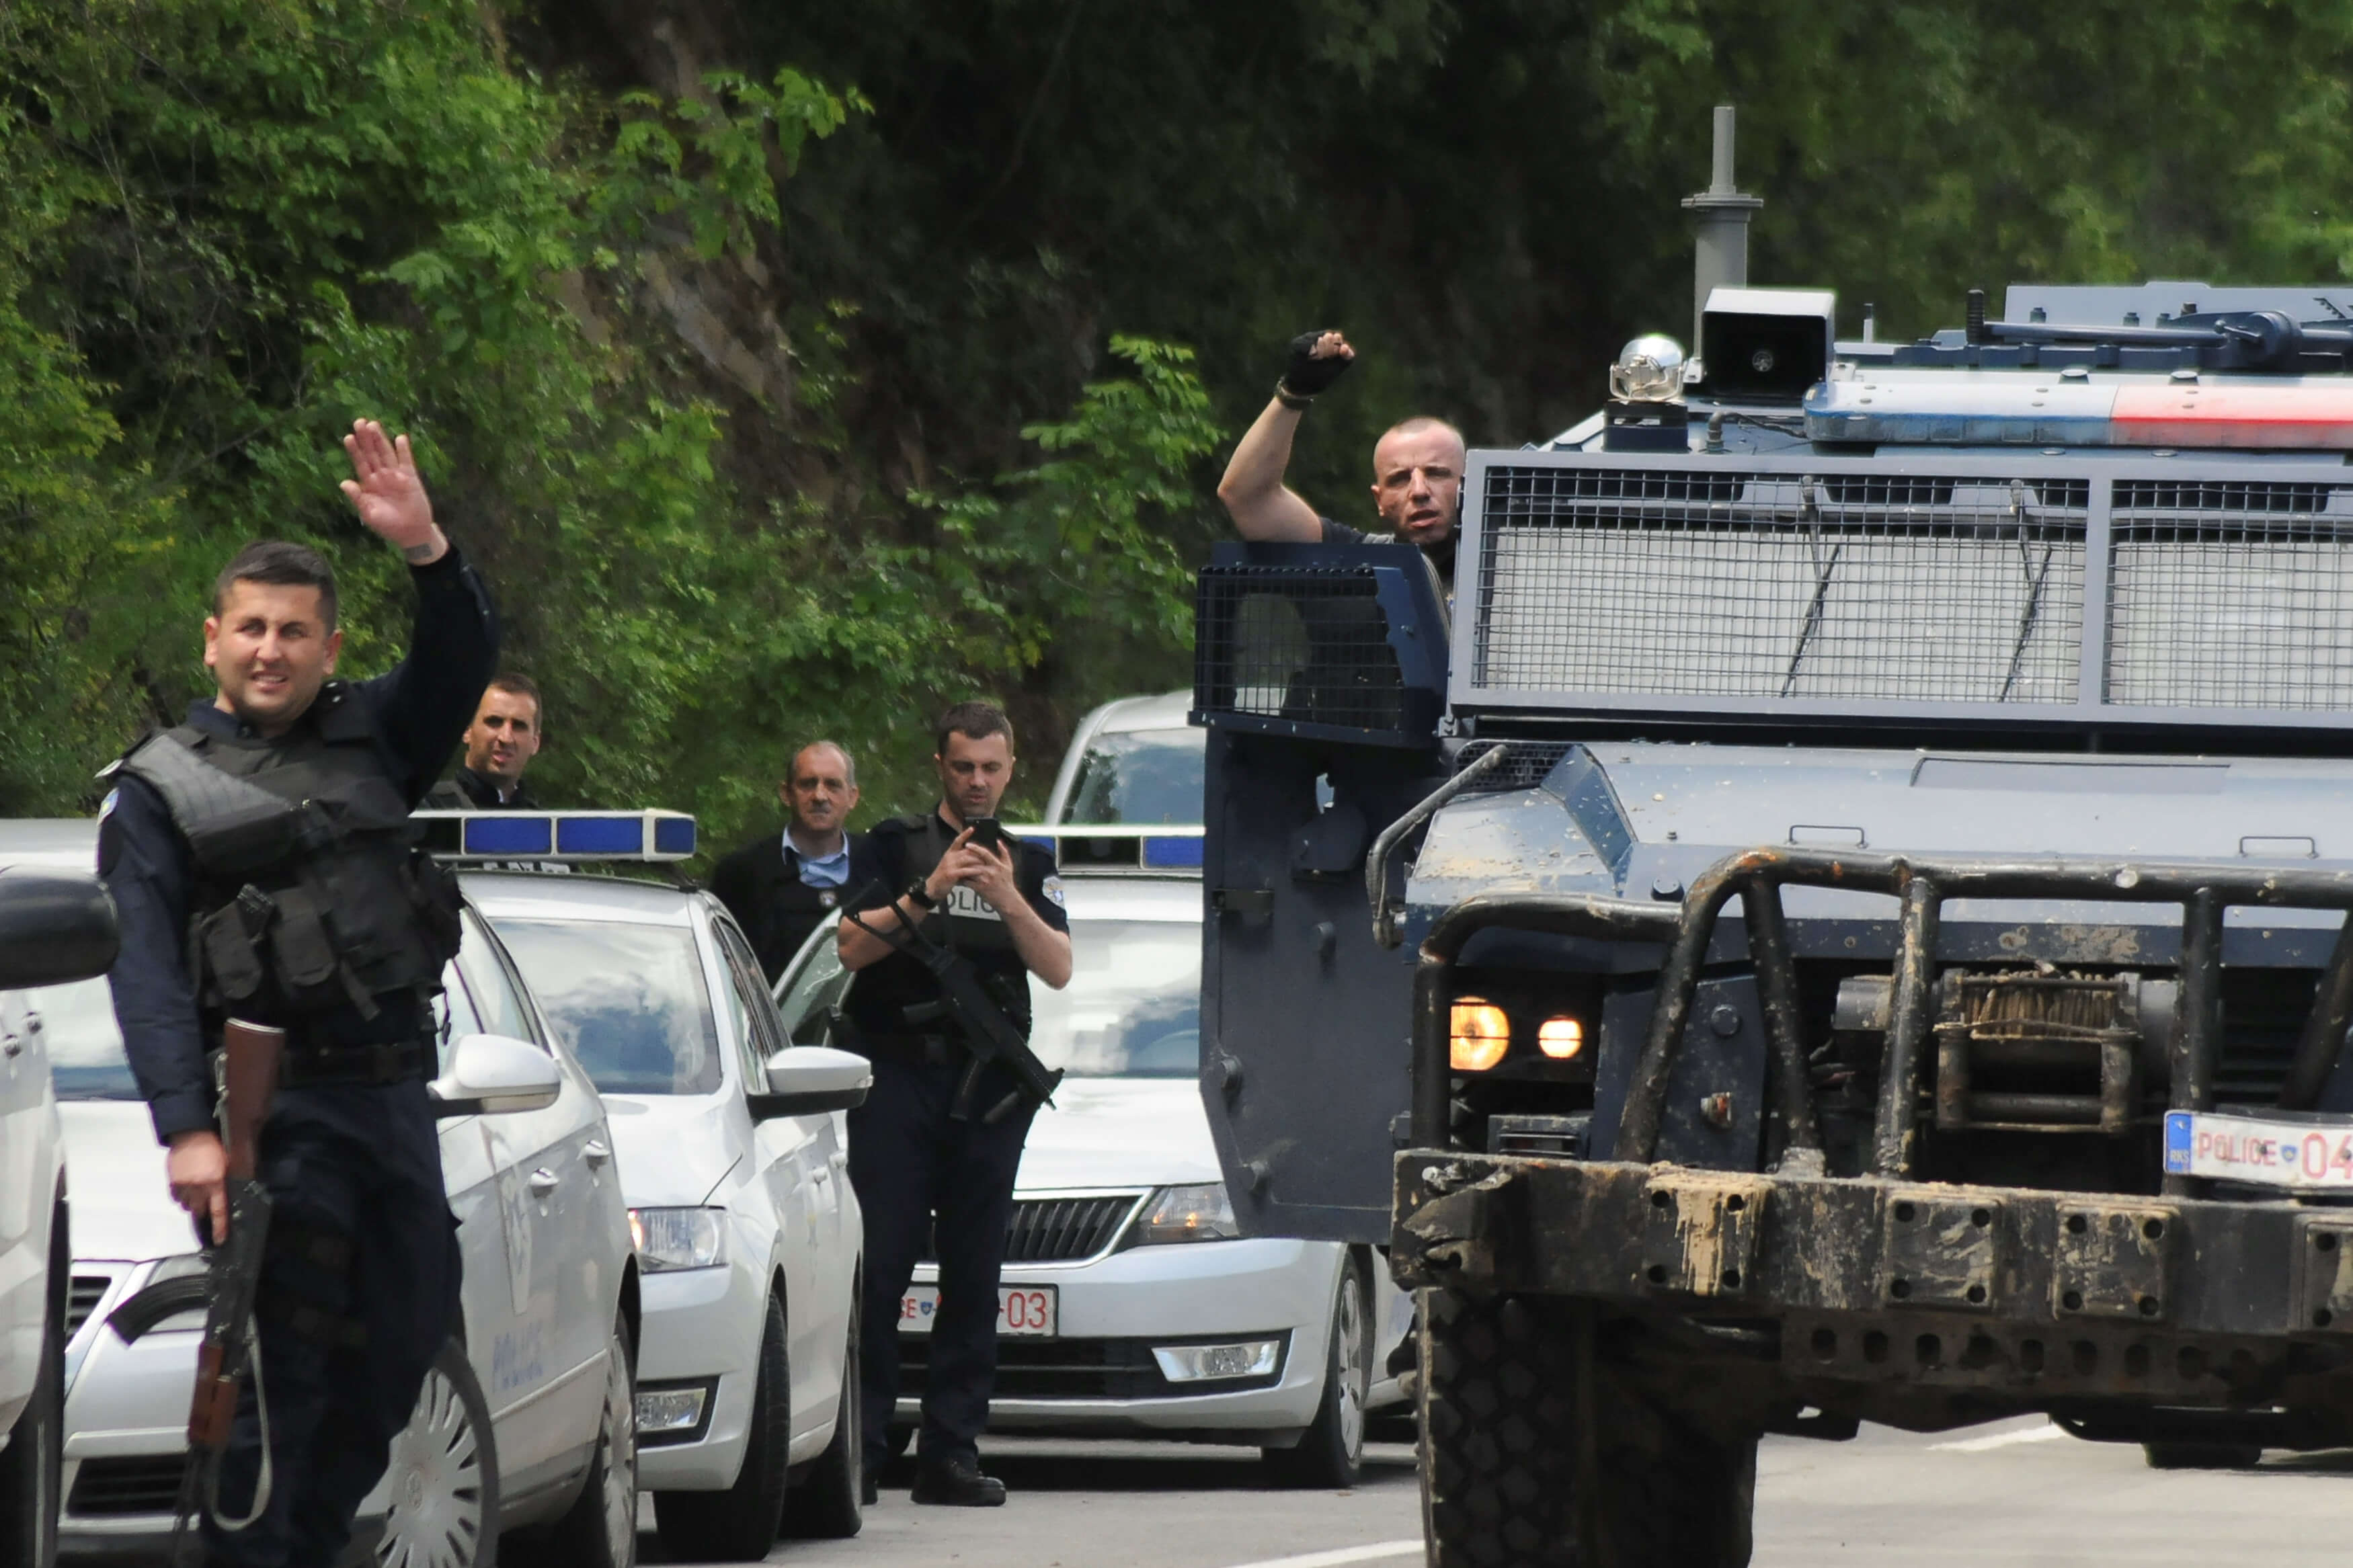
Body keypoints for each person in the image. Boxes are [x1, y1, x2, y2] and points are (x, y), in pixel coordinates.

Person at [99, 420, 496, 1568]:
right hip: (277, 1126)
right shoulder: (157, 792)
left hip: (394, 1108)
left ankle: (312, 1543)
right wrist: (187, 1130)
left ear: (330, 646)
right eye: (252, 629)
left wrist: (426, 545)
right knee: (277, 1383)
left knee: (403, 1343)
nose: (271, 651)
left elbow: (461, 658)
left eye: (295, 632)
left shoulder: (378, 736)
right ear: (213, 639)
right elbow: (146, 977)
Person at [835, 702, 1072, 1508]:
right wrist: (928, 891)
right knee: (880, 1271)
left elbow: (1059, 968)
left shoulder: (1031, 863)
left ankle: (950, 1454)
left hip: (988, 1092)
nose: (977, 781)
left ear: (1010, 771)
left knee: (974, 1276)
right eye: (963, 765)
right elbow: (851, 947)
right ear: (940, 763)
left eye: (991, 768)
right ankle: (860, 1448)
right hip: (898, 1081)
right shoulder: (892, 845)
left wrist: (1008, 896)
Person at [1214, 328, 1467, 591]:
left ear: (1470, 487)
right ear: (1379, 500)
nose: (1419, 491)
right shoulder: (1351, 563)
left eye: (1437, 474)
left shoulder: (1510, 566)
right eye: (1399, 479)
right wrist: (1295, 392)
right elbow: (1247, 496)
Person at [709, 739, 871, 983]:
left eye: (833, 785)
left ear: (853, 796)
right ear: (786, 794)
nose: (819, 796)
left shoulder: (880, 865)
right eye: (807, 784)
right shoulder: (740, 873)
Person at [424, 672, 544, 809]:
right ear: (466, 730)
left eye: (519, 726)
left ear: (536, 742)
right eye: (494, 722)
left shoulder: (544, 825)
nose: (506, 738)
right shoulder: (425, 812)